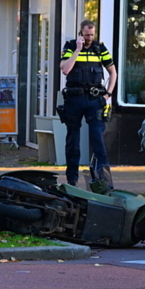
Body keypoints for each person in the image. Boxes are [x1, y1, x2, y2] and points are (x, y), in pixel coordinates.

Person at [59, 20, 117, 187]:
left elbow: (113, 72)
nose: (89, 38)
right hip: (74, 99)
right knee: (72, 141)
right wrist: (77, 49)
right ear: (81, 34)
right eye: (86, 35)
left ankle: (103, 181)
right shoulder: (70, 46)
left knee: (97, 139)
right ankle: (72, 180)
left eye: (92, 35)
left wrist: (108, 94)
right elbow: (65, 69)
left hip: (94, 99)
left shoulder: (100, 48)